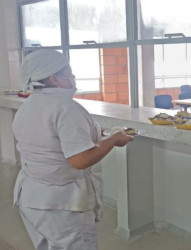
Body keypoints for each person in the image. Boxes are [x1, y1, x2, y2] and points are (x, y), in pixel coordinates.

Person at [12, 49, 134, 250]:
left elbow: (50, 139)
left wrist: (94, 135)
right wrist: (113, 140)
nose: (73, 76)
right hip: (60, 204)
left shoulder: (30, 104)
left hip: (33, 196)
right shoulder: (65, 108)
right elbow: (80, 160)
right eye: (68, 72)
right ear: (54, 78)